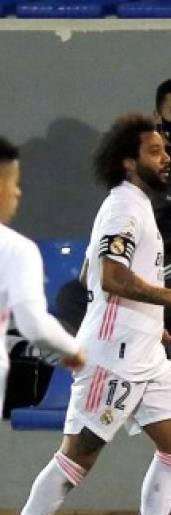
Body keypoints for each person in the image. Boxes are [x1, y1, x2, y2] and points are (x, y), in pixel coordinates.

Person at [0, 115, 171, 515]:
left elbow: (88, 277)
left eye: (165, 150)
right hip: (113, 356)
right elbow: (113, 278)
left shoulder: (136, 206)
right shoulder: (123, 207)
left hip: (144, 353)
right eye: (155, 151)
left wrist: (150, 323)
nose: (166, 157)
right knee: (79, 456)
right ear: (128, 161)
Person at [56, 78, 171, 340]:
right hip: (138, 265)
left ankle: (147, 356)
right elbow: (116, 226)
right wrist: (102, 269)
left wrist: (153, 274)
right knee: (71, 296)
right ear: (158, 115)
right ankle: (130, 354)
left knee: (151, 301)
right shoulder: (138, 173)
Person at [0, 135, 85, 428]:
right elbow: (34, 326)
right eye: (14, 183)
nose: (18, 194)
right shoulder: (15, 249)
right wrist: (72, 350)